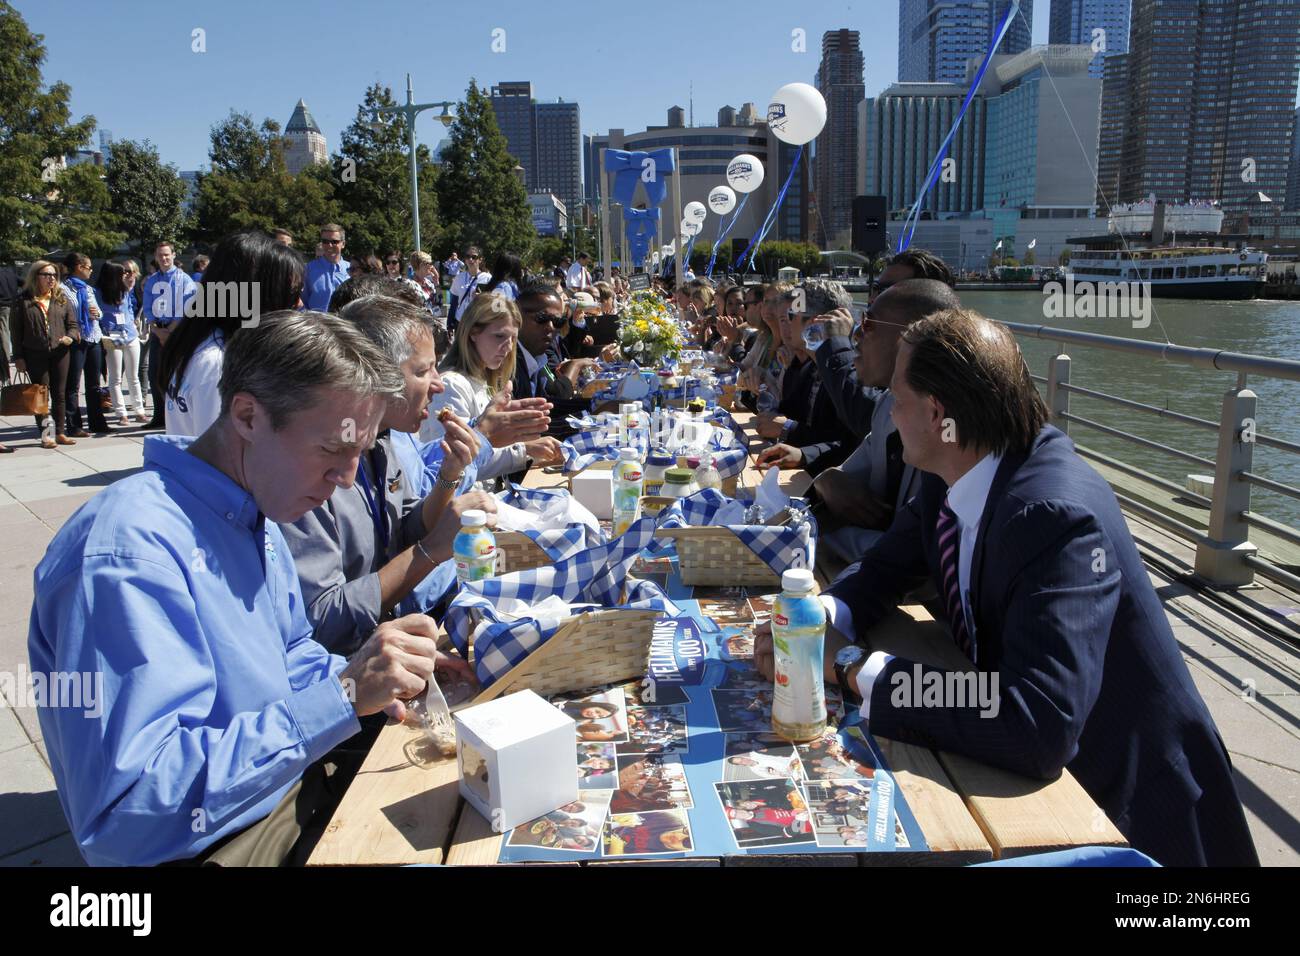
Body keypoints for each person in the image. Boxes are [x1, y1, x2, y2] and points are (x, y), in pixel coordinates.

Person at [755, 308, 1259, 867]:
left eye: (897, 400)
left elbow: (1035, 719)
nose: (890, 417)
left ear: (937, 411)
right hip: (1042, 788)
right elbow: (883, 571)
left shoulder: (1050, 516)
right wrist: (814, 618)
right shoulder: (962, 465)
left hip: (1129, 814)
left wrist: (850, 665)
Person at [29, 309, 473, 866]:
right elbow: (132, 809)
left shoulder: (251, 511)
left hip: (283, 788)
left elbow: (289, 656)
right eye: (333, 451)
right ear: (246, 416)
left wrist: (380, 677)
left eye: (360, 451)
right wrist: (341, 697)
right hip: (217, 841)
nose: (347, 478)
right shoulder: (127, 555)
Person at [280, 295, 501, 655]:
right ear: (376, 373)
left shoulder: (384, 441)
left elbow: (406, 530)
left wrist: (449, 474)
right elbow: (324, 620)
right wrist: (431, 551)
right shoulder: (313, 469)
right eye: (422, 371)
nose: (438, 384)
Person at [801, 279, 961, 565]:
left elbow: (916, 563)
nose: (856, 335)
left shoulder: (955, 432)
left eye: (869, 324)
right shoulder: (889, 405)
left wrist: (815, 535)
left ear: (914, 336)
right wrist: (826, 480)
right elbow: (842, 478)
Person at [160, 230, 305, 438]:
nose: (298, 304)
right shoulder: (217, 364)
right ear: (254, 295)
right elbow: (220, 457)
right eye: (289, 292)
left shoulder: (207, 346)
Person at [421, 295, 563, 486]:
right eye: (499, 336)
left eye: (513, 338)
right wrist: (524, 450)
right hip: (465, 508)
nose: (509, 346)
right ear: (472, 333)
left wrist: (522, 438)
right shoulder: (451, 385)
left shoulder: (486, 379)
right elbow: (453, 460)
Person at [812, 248, 954, 439]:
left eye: (886, 290)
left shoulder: (945, 406)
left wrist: (836, 344)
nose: (873, 298)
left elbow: (864, 415)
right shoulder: (889, 389)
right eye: (875, 288)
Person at [752, 280, 857, 476]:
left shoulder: (850, 374)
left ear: (814, 324)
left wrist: (788, 430)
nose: (784, 323)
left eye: (790, 316)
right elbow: (787, 412)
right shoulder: (808, 366)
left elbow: (849, 445)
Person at [512, 279, 597, 438]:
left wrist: (595, 406)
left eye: (557, 321)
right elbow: (524, 430)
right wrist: (595, 420)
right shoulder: (508, 363)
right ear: (517, 316)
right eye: (542, 318)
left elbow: (545, 406)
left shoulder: (535, 355)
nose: (551, 327)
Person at [11, 261, 78, 448]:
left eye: (54, 275)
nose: (51, 279)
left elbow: (73, 324)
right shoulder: (23, 300)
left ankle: (60, 433)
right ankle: (46, 435)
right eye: (47, 275)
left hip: (60, 352)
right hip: (35, 353)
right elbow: (16, 332)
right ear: (35, 276)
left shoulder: (61, 297)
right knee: (41, 395)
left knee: (60, 394)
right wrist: (18, 357)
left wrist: (70, 337)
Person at [141, 240, 197, 429]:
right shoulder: (152, 281)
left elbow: (186, 307)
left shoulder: (184, 280)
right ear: (155, 257)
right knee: (155, 373)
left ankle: (177, 417)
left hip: (177, 332)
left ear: (174, 255)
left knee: (176, 374)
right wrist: (157, 330)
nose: (163, 258)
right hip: (158, 331)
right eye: (160, 255)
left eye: (167, 254)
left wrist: (170, 330)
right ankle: (159, 416)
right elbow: (148, 309)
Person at [60, 253, 109, 437]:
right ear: (79, 267)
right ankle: (74, 424)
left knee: (94, 384)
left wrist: (97, 314)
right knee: (73, 385)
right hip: (76, 339)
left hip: (93, 337)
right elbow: (61, 314)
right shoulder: (63, 289)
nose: (91, 270)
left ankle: (97, 422)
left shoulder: (88, 289)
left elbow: (100, 314)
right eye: (89, 267)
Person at [94, 262, 148, 426]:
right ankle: (121, 413)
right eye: (122, 273)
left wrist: (132, 325)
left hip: (130, 334)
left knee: (133, 376)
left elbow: (129, 309)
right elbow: (97, 313)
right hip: (112, 336)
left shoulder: (125, 291)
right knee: (115, 377)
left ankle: (139, 410)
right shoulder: (98, 293)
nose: (126, 275)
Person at [303, 223, 350, 311]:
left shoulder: (352, 269)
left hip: (344, 323)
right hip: (316, 323)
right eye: (325, 241)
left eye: (334, 242)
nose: (329, 245)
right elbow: (302, 300)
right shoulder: (308, 269)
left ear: (343, 244)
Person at [448, 246, 489, 332]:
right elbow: (454, 302)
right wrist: (450, 323)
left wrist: (482, 297)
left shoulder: (487, 278)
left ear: (480, 260)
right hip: (460, 322)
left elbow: (493, 303)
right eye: (468, 257)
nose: (470, 259)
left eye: (474, 257)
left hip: (478, 323)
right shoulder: (459, 278)